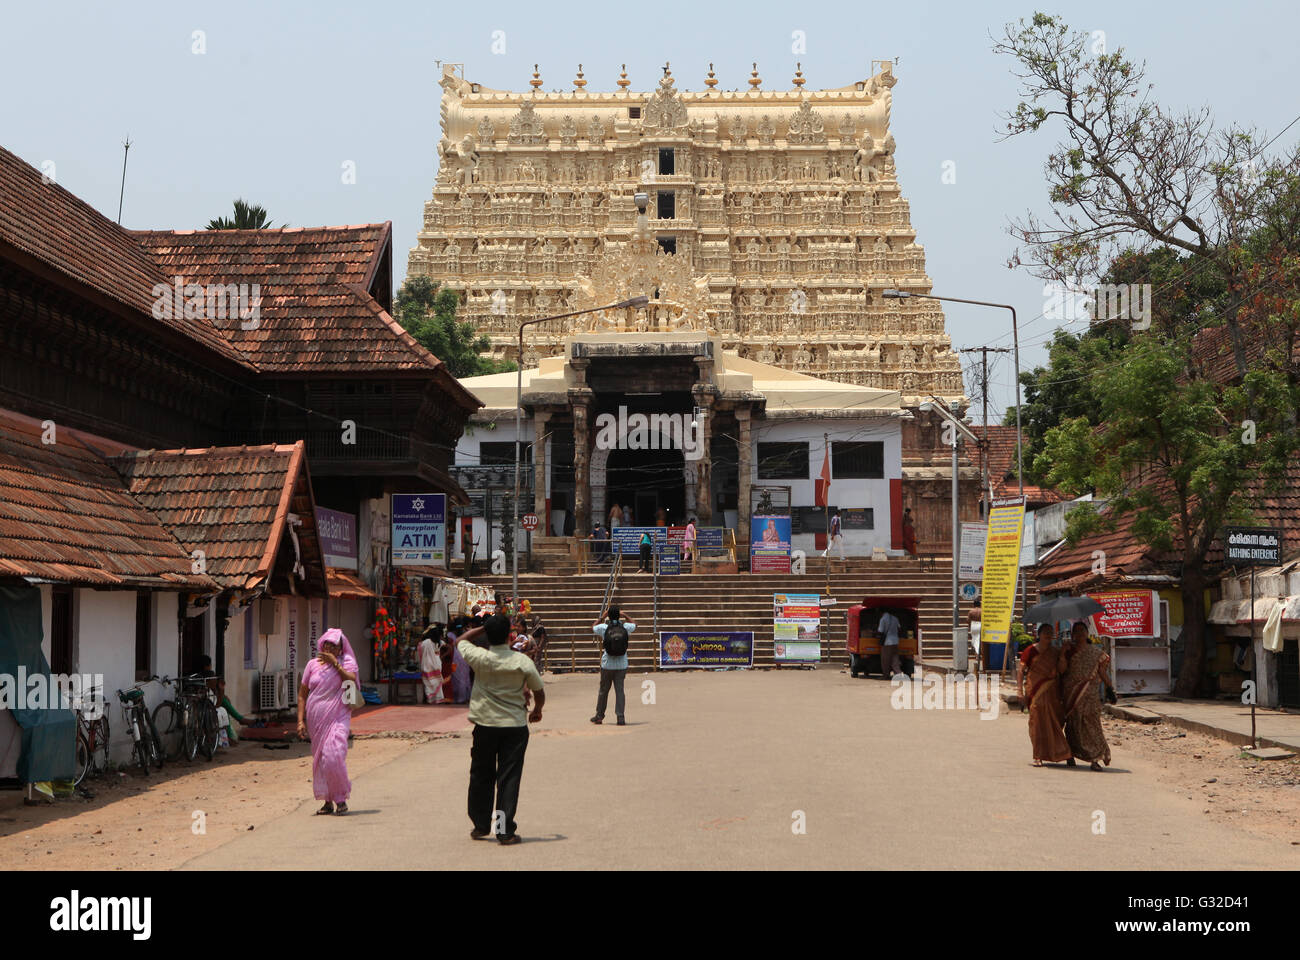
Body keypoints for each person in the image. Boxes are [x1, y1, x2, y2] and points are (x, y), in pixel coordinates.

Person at [457, 614, 545, 844]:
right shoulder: (521, 661)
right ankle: (504, 831)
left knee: (480, 775)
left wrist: (481, 629)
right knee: (509, 778)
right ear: (510, 636)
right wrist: (537, 710)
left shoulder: (479, 657)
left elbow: (461, 641)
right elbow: (539, 690)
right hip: (514, 727)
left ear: (488, 635)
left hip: (484, 725)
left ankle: (480, 824)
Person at [296, 628, 359, 815]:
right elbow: (302, 695)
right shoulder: (311, 665)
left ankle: (340, 798)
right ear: (322, 645)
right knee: (321, 760)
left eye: (334, 646)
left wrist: (336, 666)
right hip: (316, 719)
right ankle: (327, 800)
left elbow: (352, 680)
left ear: (341, 649)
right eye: (327, 644)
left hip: (338, 716)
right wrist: (300, 721)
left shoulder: (347, 662)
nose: (330, 648)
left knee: (334, 755)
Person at [1061, 622, 1113, 771]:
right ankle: (1070, 755)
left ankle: (1095, 758)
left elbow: (1102, 673)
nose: (1079, 634)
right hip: (1071, 693)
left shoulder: (1096, 653)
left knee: (1092, 726)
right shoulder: (1069, 651)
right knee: (1073, 725)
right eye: (1076, 631)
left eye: (1082, 630)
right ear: (1072, 635)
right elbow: (1061, 670)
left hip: (1090, 694)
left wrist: (1110, 688)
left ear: (1087, 633)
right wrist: (1063, 653)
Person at [1018, 623, 1071, 767]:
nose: (1048, 635)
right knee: (1037, 723)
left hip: (1053, 692)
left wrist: (1063, 654)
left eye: (1050, 632)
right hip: (1035, 690)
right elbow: (1021, 670)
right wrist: (1019, 691)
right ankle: (1038, 755)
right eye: (1045, 632)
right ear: (1039, 635)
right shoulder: (1031, 651)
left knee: (1056, 720)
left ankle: (1062, 752)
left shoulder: (1055, 652)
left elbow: (1062, 670)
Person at [591, 605, 635, 725]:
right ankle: (620, 717)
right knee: (619, 691)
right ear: (619, 615)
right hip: (622, 664)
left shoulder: (604, 628)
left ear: (609, 615)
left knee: (603, 691)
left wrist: (602, 617)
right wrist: (625, 615)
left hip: (607, 664)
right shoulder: (625, 627)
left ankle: (599, 716)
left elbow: (593, 626)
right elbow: (634, 624)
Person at [419, 625, 445, 704]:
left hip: (428, 663)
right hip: (437, 662)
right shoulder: (440, 642)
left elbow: (420, 645)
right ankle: (438, 698)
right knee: (436, 681)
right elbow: (449, 647)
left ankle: (430, 699)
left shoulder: (426, 642)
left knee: (429, 682)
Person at [878, 607, 902, 678]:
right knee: (895, 658)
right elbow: (899, 628)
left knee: (885, 660)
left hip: (887, 642)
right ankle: (898, 673)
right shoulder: (895, 618)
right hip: (895, 641)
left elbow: (880, 631)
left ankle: (886, 675)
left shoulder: (883, 619)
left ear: (881, 613)